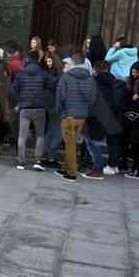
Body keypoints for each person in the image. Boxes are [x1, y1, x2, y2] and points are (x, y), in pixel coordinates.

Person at [54, 52, 96, 182]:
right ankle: (65, 168)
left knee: (70, 144)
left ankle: (71, 173)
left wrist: (59, 111)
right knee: (71, 144)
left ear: (72, 62)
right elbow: (92, 99)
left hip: (68, 115)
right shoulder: (90, 79)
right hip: (82, 115)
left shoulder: (66, 77)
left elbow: (60, 97)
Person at [12, 50, 50, 171]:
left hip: (24, 108)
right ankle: (38, 160)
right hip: (39, 108)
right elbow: (52, 86)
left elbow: (13, 90)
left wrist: (19, 101)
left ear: (27, 59)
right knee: (40, 135)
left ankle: (21, 161)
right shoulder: (43, 73)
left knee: (22, 136)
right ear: (38, 59)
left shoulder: (21, 74)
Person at [40, 52, 63, 169]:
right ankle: (50, 156)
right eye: (46, 61)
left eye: (49, 61)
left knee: (50, 131)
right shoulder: (56, 76)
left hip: (49, 106)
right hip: (54, 106)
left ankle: (46, 156)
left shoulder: (48, 74)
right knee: (56, 132)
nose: (47, 63)